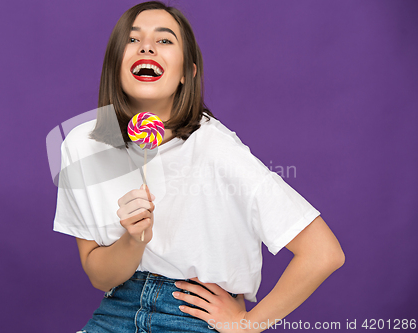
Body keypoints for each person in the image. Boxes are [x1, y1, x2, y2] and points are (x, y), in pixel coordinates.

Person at [53, 1, 345, 332]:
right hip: (117, 310)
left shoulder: (216, 148)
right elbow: (98, 275)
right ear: (115, 63)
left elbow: (323, 252)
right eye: (133, 39)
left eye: (164, 40)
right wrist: (133, 240)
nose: (146, 45)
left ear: (186, 73)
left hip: (192, 317)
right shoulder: (83, 145)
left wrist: (246, 325)